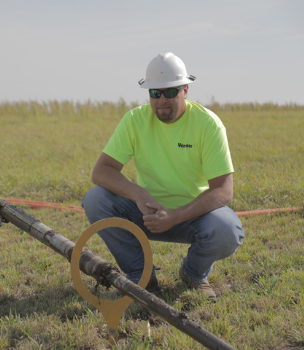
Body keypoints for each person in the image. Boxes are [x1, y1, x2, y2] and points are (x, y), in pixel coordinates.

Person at [82, 53, 244, 300]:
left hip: (194, 216)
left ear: (185, 90)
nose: (162, 100)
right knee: (96, 199)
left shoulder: (208, 125)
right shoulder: (135, 120)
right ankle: (142, 276)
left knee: (227, 228)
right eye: (155, 93)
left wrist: (176, 216)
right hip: (147, 214)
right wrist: (138, 193)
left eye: (170, 92)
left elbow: (223, 190)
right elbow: (101, 171)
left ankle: (193, 275)